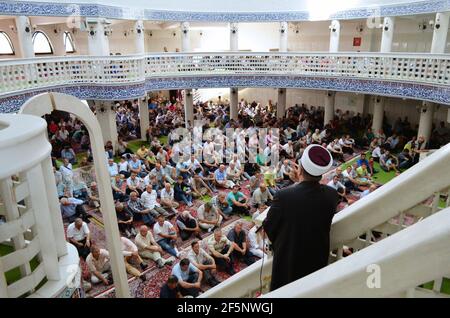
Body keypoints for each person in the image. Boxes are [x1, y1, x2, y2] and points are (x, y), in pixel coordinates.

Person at [263, 144, 339, 291]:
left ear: (300, 169)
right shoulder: (332, 195)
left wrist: (295, 184)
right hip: (317, 258)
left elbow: (269, 226)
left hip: (289, 260)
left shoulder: (284, 196)